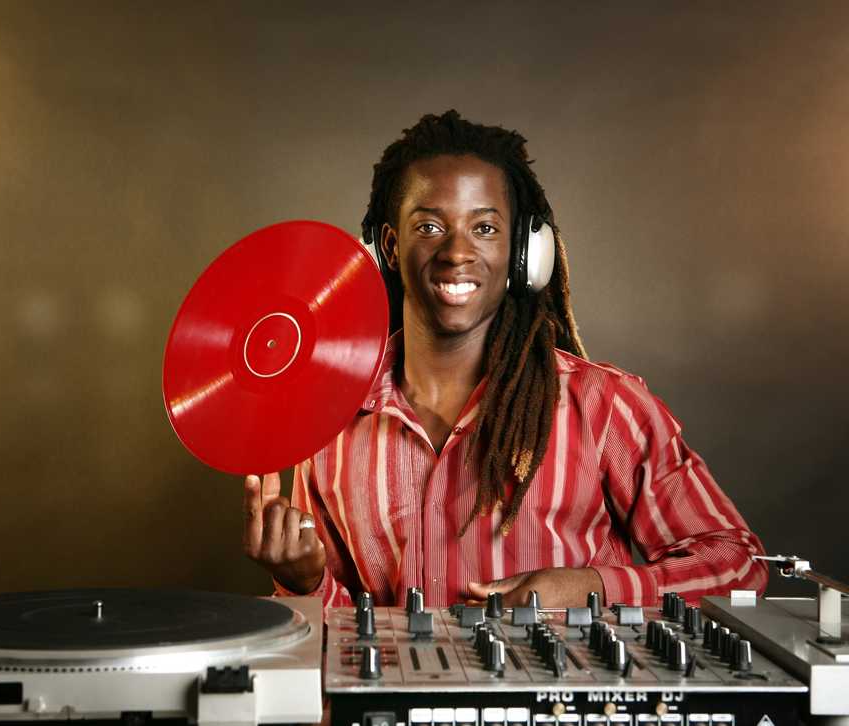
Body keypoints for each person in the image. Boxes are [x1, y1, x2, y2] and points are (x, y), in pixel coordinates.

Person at [241, 110, 767, 609]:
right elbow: (331, 642)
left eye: (485, 228)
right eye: (429, 227)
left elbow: (740, 568)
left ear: (524, 254)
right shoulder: (329, 422)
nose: (457, 252)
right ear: (389, 247)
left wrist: (593, 588)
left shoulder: (606, 408)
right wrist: (305, 582)